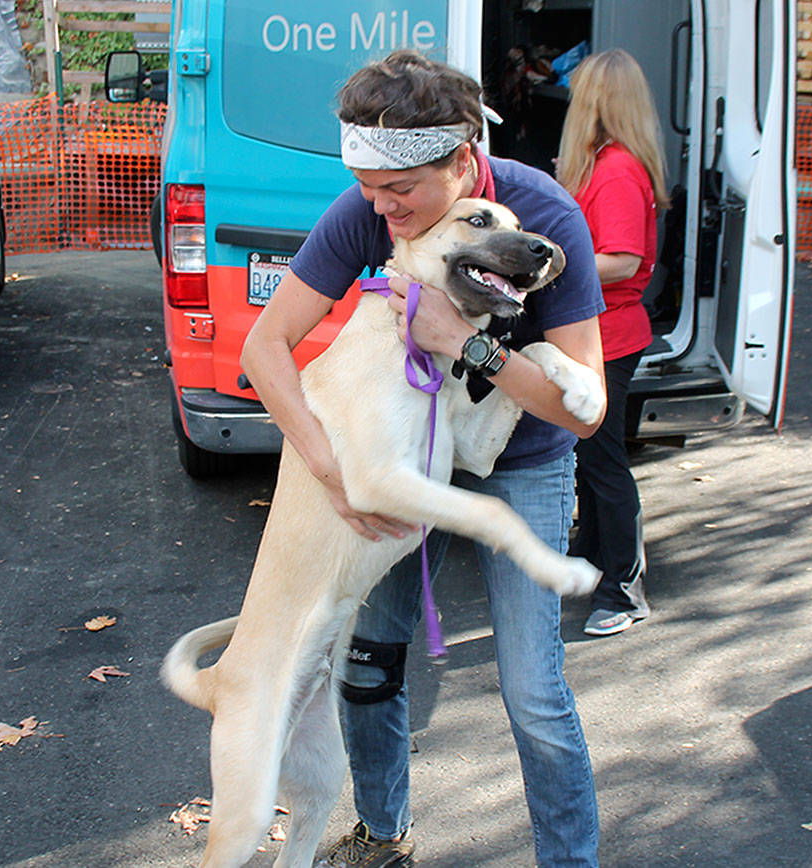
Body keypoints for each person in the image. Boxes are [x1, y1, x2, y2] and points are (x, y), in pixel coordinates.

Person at [239, 51, 606, 867]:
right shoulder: (370, 209)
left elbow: (587, 410)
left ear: (463, 160)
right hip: (408, 453)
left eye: (399, 191)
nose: (381, 208)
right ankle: (381, 829)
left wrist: (465, 343)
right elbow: (265, 348)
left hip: (525, 445)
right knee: (369, 659)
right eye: (368, 188)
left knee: (535, 693)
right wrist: (328, 465)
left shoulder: (545, 215)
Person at [555, 49, 669, 637]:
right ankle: (601, 562)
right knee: (592, 458)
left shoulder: (618, 169)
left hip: (611, 334)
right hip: (600, 331)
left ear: (595, 100)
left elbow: (623, 261)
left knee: (602, 461)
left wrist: (550, 264)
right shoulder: (606, 164)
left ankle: (623, 590)